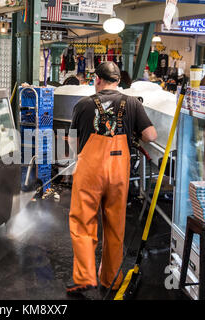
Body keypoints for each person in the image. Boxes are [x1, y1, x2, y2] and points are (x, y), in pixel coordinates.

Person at [66, 61, 157, 295]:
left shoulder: (82, 105)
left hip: (89, 172)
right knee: (115, 225)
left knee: (83, 223)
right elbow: (150, 134)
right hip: (118, 172)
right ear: (118, 82)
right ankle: (111, 280)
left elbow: (73, 143)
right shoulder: (133, 103)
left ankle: (85, 277)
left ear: (97, 80)